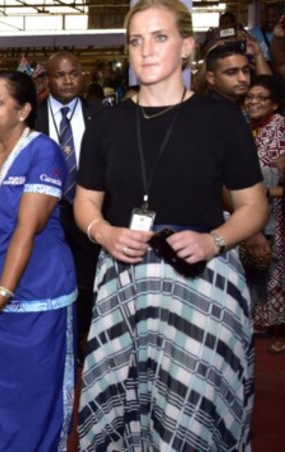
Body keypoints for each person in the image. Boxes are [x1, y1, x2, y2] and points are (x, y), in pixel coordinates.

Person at [75, 0, 267, 449]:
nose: (146, 50)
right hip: (124, 282)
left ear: (187, 47)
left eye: (159, 37)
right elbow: (85, 203)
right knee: (120, 411)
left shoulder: (221, 119)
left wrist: (213, 240)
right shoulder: (106, 123)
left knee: (194, 415)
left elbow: (254, 207)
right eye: (136, 40)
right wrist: (104, 232)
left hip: (202, 285)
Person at [0, 70, 76, 451]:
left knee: (36, 395)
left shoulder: (43, 151)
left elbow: (27, 226)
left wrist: (3, 293)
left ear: (23, 111)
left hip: (37, 294)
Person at [35, 51, 102, 360]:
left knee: (88, 282)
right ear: (48, 80)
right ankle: (53, 344)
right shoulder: (31, 116)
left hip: (90, 211)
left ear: (82, 76)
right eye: (60, 75)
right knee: (49, 280)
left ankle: (82, 343)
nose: (67, 80)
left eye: (73, 73)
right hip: (47, 215)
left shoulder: (101, 115)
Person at [243, 75, 285, 349]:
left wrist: (268, 192)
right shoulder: (243, 126)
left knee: (276, 268)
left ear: (275, 104)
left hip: (277, 213)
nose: (254, 102)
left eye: (261, 98)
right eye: (250, 97)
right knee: (256, 267)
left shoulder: (281, 129)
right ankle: (259, 321)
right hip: (248, 211)